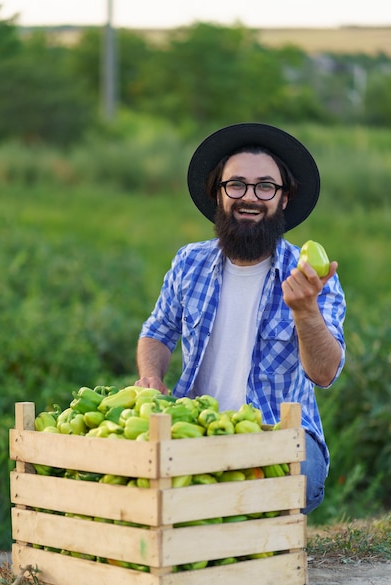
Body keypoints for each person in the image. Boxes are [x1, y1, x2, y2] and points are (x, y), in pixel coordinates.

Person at [135, 123, 346, 514]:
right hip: (194, 426)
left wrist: (305, 311)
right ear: (219, 193)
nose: (250, 197)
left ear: (284, 199)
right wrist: (152, 376)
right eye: (237, 185)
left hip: (279, 437)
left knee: (253, 495)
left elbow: (324, 372)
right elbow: (157, 332)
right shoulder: (190, 262)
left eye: (265, 186)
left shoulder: (309, 278)